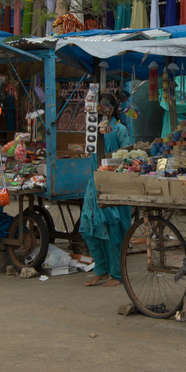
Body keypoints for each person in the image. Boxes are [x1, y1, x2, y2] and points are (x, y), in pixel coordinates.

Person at [80, 93, 133, 287]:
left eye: (102, 108)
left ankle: (117, 275)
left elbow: (128, 157)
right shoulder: (94, 130)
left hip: (113, 183)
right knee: (89, 227)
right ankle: (101, 270)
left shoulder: (120, 130)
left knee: (113, 230)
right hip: (93, 185)